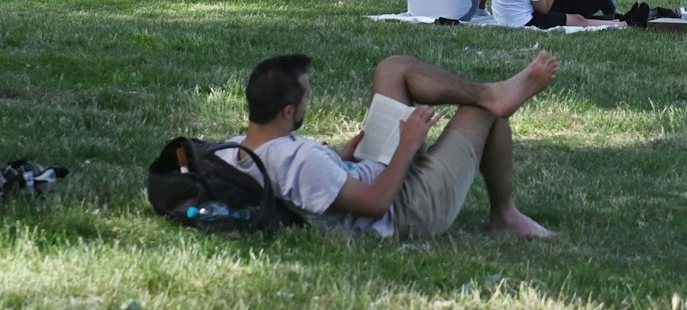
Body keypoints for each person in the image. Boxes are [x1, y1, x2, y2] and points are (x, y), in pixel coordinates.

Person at [220, 50, 560, 240]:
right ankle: (505, 215)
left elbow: (307, 185)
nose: (309, 101)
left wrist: (341, 160)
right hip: (406, 206)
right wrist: (407, 144)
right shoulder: (298, 159)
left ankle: (493, 93)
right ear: (288, 111)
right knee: (482, 112)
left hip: (372, 171)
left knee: (393, 69)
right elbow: (377, 204)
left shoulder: (237, 149)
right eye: (307, 97)